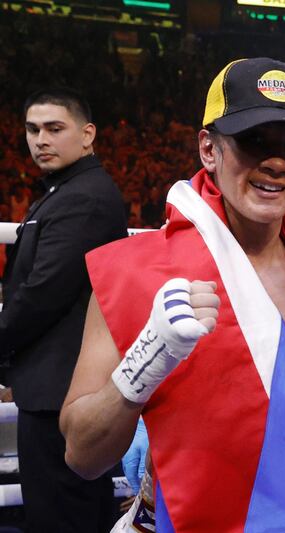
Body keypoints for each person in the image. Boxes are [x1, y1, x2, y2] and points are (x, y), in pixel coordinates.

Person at [59, 58, 285, 531]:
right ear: (209, 150)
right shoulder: (137, 271)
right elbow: (82, 456)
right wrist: (145, 363)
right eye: (254, 141)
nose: (276, 161)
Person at [0, 88, 127, 532]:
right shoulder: (67, 191)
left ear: (88, 134)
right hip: (59, 385)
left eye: (55, 129)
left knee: (61, 517)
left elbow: (42, 293)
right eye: (33, 130)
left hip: (62, 391)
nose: (41, 140)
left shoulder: (84, 197)